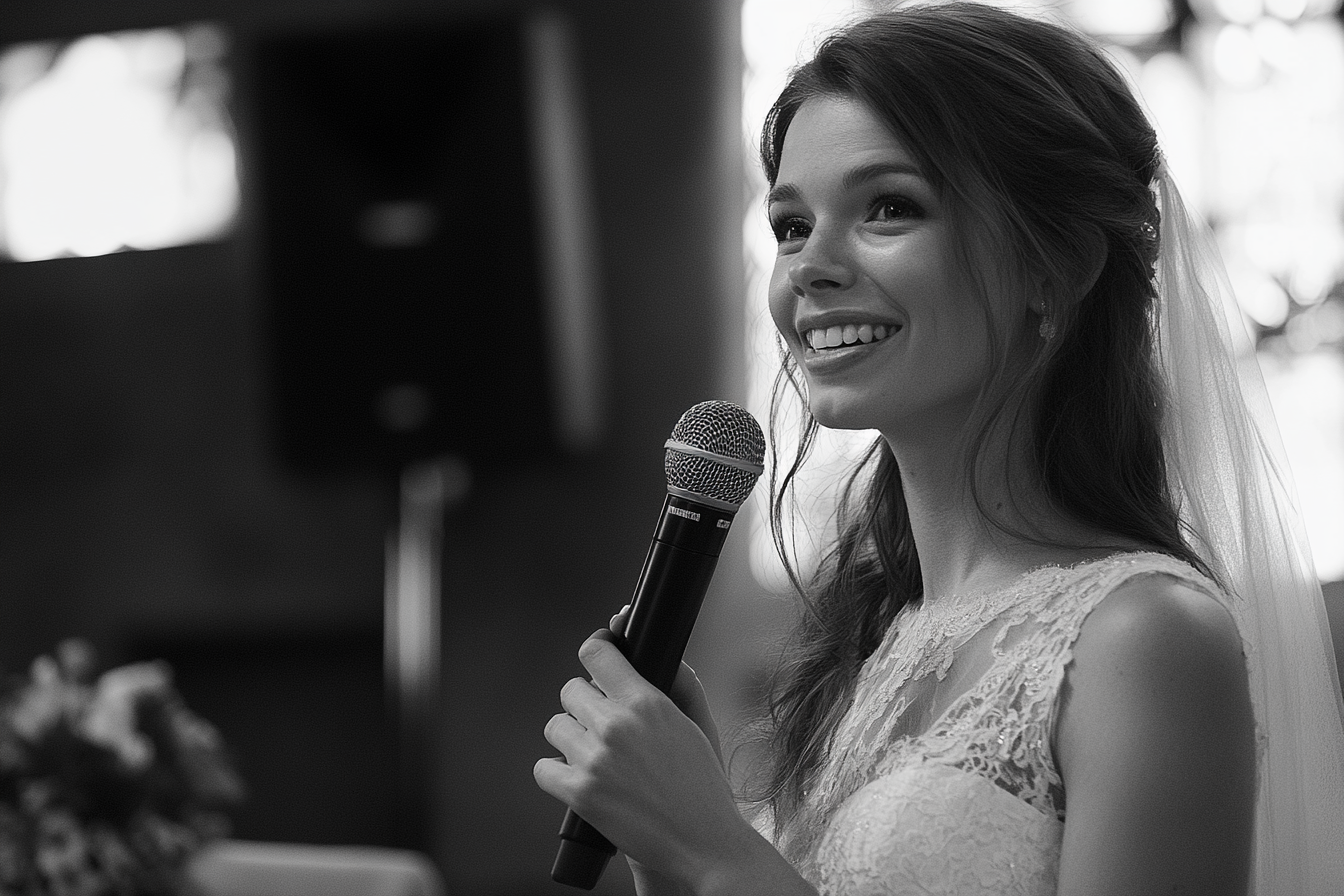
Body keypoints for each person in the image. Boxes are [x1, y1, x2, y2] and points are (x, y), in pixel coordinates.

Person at [533, 4, 1344, 894]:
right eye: (791, 225)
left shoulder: (1147, 637)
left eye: (889, 207)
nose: (809, 268)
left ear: (1056, 266)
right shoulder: (873, 640)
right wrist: (667, 849)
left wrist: (714, 848)